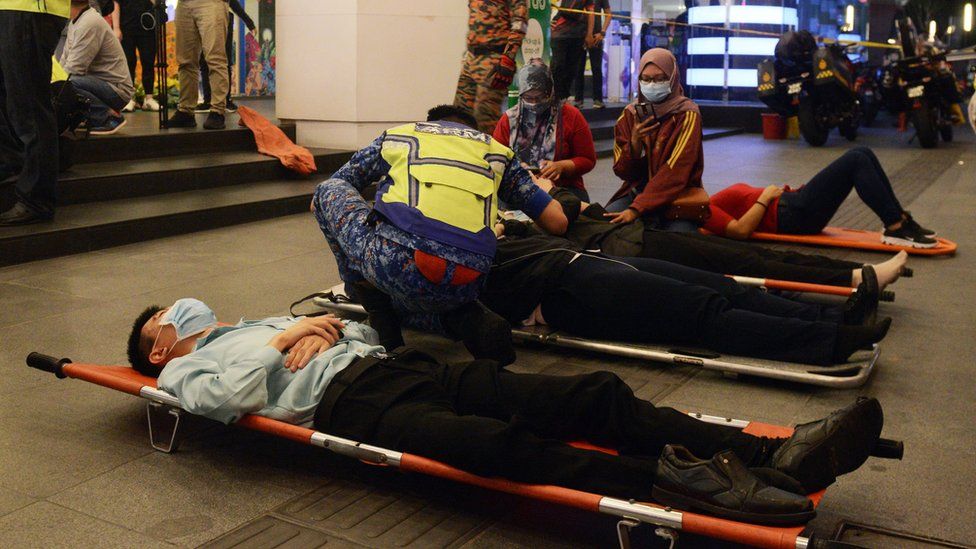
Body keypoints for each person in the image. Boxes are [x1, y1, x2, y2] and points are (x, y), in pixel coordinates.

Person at [126, 298, 887, 525]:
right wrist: (296, 332)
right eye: (165, 316)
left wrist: (323, 326)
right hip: (350, 404)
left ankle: (768, 452)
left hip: (394, 365)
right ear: (157, 349)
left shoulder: (249, 323)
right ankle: (685, 479)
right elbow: (232, 399)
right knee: (500, 445)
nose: (180, 308)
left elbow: (355, 327)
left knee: (585, 394)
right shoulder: (190, 368)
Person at [310, 105, 567, 365]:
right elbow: (557, 222)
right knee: (431, 291)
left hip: (396, 265)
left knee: (327, 190)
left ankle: (375, 308)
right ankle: (462, 318)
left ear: (432, 124)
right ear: (472, 131)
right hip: (469, 281)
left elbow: (337, 185)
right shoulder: (497, 152)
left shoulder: (401, 136)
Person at [485, 219, 890, 366]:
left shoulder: (487, 220)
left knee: (721, 285)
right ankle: (829, 342)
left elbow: (555, 216)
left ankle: (832, 317)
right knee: (702, 311)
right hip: (561, 290)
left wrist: (508, 227)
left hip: (587, 259)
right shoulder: (445, 251)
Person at [541, 182, 910, 289]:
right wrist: (548, 193)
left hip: (641, 238)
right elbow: (568, 215)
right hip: (633, 248)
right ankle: (855, 277)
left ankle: (857, 274)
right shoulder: (530, 213)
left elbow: (587, 206)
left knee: (758, 260)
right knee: (750, 263)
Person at [703, 147, 939, 249]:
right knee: (855, 160)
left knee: (862, 153)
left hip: (793, 206)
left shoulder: (707, 202)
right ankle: (895, 226)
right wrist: (764, 197)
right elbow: (739, 231)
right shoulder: (704, 210)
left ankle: (900, 219)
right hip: (792, 215)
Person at [608, 48, 704, 232]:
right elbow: (622, 172)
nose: (652, 84)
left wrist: (636, 210)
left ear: (673, 78)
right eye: (646, 79)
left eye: (660, 79)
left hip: (676, 197)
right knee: (605, 229)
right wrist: (635, 144)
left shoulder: (687, 114)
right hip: (637, 191)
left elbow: (676, 172)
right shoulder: (630, 114)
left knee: (675, 243)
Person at [0, 0, 68, 226]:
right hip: (11, 9)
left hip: (30, 9)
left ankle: (37, 198)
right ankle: (13, 164)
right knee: (12, 99)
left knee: (29, 106)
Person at [493, 62, 596, 202]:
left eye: (540, 97)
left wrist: (561, 166)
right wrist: (517, 169)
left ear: (551, 92)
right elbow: (496, 159)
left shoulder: (570, 115)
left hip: (562, 188)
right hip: (517, 187)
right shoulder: (509, 119)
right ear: (521, 94)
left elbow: (587, 159)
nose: (534, 103)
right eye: (528, 98)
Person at [60, 0, 135, 135]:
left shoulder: (89, 22)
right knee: (62, 82)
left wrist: (55, 85)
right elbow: (65, 62)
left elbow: (75, 69)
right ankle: (89, 117)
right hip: (99, 84)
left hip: (117, 90)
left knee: (68, 82)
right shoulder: (75, 21)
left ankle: (107, 118)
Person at [454, 0, 527, 134]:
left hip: (493, 58)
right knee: (459, 113)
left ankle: (490, 152)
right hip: (471, 57)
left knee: (485, 115)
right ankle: (461, 153)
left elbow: (519, 24)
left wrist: (508, 58)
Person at [168, 0, 230, 130]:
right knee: (185, 61)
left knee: (215, 59)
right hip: (184, 4)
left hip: (212, 3)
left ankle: (218, 110)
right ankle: (186, 110)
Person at [196, 0, 254, 114]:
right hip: (203, 18)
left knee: (222, 60)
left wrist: (249, 22)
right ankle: (208, 100)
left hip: (221, 19)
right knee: (204, 61)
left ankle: (226, 100)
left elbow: (233, 2)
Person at [117, 0, 160, 112]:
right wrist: (116, 27)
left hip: (147, 25)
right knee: (128, 62)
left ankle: (149, 98)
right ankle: (129, 98)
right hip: (126, 25)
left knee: (148, 61)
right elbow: (115, 3)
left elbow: (157, 4)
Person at [550, 0, 594, 101]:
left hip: (577, 35)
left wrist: (589, 34)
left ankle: (563, 97)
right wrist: (547, 20)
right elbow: (548, 5)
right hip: (558, 34)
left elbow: (591, 12)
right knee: (558, 65)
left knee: (571, 68)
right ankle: (554, 96)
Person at [572, 0, 610, 108]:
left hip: (595, 37)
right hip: (579, 36)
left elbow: (608, 14)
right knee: (578, 68)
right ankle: (578, 99)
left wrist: (602, 32)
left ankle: (598, 99)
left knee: (596, 68)